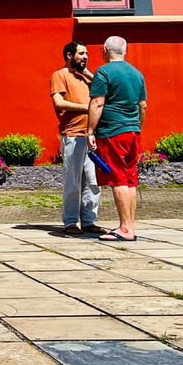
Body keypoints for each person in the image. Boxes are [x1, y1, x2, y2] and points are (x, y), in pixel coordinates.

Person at [87, 36, 147, 242]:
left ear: (104, 50)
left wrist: (90, 131)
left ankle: (124, 228)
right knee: (130, 180)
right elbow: (143, 106)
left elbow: (97, 103)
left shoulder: (104, 72)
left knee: (118, 179)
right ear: (125, 51)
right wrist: (138, 128)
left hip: (112, 131)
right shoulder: (137, 74)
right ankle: (130, 226)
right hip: (132, 131)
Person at [50, 42, 105, 236]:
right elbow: (58, 103)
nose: (86, 56)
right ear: (69, 55)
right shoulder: (60, 75)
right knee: (73, 182)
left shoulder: (85, 78)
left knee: (92, 181)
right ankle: (71, 222)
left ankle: (89, 221)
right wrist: (86, 108)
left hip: (91, 136)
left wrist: (87, 72)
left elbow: (102, 89)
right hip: (73, 136)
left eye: (87, 53)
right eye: (81, 53)